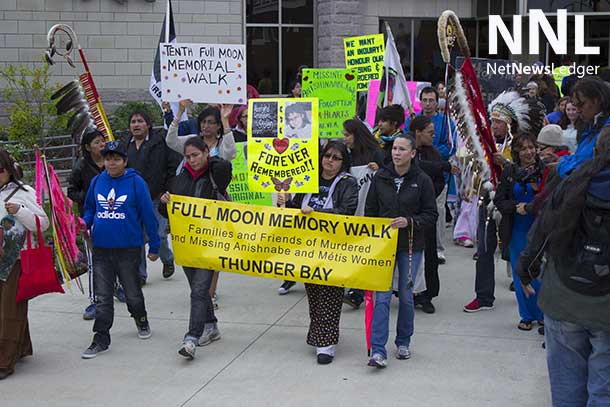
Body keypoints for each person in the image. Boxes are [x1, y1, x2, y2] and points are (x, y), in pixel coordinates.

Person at [516, 129, 610, 406]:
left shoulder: (573, 182)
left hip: (563, 296)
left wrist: (526, 269)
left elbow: (544, 229)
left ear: (595, 151)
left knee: (566, 388)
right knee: (604, 391)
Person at [277, 142, 358, 364]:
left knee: (331, 292)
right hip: (307, 245)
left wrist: (318, 213)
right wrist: (284, 203)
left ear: (343, 162)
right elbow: (295, 207)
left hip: (334, 245)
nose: (329, 160)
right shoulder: (307, 178)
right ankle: (319, 335)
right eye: (327, 155)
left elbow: (347, 211)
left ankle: (327, 343)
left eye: (336, 157)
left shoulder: (348, 183)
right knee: (313, 292)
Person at [81, 141, 160, 359]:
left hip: (128, 249)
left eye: (116, 158)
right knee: (103, 297)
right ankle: (100, 338)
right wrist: (84, 223)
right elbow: (90, 208)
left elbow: (148, 216)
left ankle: (140, 318)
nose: (111, 162)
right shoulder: (97, 181)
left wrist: (154, 245)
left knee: (132, 293)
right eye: (108, 158)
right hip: (101, 250)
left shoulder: (136, 182)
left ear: (125, 161)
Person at [365, 134, 437, 368]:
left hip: (410, 246)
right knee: (382, 297)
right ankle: (378, 350)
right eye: (394, 148)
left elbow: (431, 215)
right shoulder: (380, 177)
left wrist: (409, 221)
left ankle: (403, 341)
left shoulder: (422, 180)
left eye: (402, 149)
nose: (396, 153)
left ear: (413, 153)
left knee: (406, 296)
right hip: (384, 247)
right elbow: (370, 211)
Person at [159, 137, 231, 359]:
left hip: (211, 242)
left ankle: (191, 338)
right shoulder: (179, 180)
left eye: (196, 155)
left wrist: (211, 159)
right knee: (197, 290)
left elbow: (226, 165)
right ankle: (211, 326)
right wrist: (164, 202)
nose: (192, 160)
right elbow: (168, 213)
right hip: (187, 245)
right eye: (188, 157)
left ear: (205, 152)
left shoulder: (216, 173)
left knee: (200, 290)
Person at [0, 150, 49, 379]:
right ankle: (21, 348)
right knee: (9, 308)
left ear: (9, 169)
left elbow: (43, 223)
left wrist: (20, 210)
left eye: (0, 169)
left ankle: (4, 361)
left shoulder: (23, 192)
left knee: (9, 309)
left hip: (15, 261)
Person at [494, 134, 545, 331]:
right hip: (516, 229)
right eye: (523, 148)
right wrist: (516, 206)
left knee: (538, 271)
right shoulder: (510, 171)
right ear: (516, 152)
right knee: (520, 271)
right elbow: (500, 200)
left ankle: (541, 313)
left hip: (539, 228)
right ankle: (526, 315)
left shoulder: (544, 170)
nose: (529, 152)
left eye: (531, 147)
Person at [125, 110, 180, 283]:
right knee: (138, 237)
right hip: (134, 200)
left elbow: (173, 168)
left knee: (159, 234)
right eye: (133, 121)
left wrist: (168, 190)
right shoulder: (125, 145)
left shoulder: (161, 142)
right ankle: (140, 274)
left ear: (148, 124)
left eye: (140, 121)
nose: (136, 124)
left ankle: (167, 259)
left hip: (157, 197)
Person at [411, 116, 458, 314]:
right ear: (417, 132)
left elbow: (439, 181)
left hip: (425, 212)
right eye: (429, 133)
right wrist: (444, 166)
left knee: (428, 253)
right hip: (406, 211)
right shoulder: (405, 149)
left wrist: (427, 196)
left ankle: (426, 294)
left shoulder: (434, 153)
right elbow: (413, 167)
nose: (433, 136)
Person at [405, 87, 456, 265]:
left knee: (438, 212)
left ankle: (438, 249)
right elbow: (406, 141)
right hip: (415, 176)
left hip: (437, 177)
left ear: (437, 101)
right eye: (424, 100)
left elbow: (450, 145)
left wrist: (433, 153)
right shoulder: (412, 120)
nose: (427, 103)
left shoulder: (446, 121)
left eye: (431, 100)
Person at [341, 119, 385, 308]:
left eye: (347, 135)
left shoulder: (376, 153)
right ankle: (354, 289)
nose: (344, 139)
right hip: (351, 211)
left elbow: (389, 177)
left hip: (370, 212)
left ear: (356, 135)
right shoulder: (346, 155)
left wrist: (380, 170)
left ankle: (358, 293)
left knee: (365, 253)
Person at [67, 128, 105, 320]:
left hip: (112, 218)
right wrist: (88, 198)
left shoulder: (111, 162)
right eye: (97, 142)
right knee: (93, 261)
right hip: (90, 220)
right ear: (88, 147)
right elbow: (71, 191)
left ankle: (115, 288)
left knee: (114, 257)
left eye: (102, 141)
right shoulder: (81, 167)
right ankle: (94, 300)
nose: (101, 145)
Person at [557, 77, 610, 178]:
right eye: (576, 106)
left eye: (581, 104)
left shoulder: (605, 130)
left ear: (598, 100)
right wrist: (563, 159)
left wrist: (559, 165)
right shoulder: (592, 125)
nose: (578, 110)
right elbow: (580, 157)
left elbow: (583, 169)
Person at [168, 99, 237, 162]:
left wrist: (225, 120)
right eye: (203, 122)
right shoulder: (191, 140)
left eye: (210, 122)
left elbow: (231, 155)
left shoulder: (222, 144)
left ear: (218, 125)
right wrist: (180, 113)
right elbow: (171, 141)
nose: (206, 126)